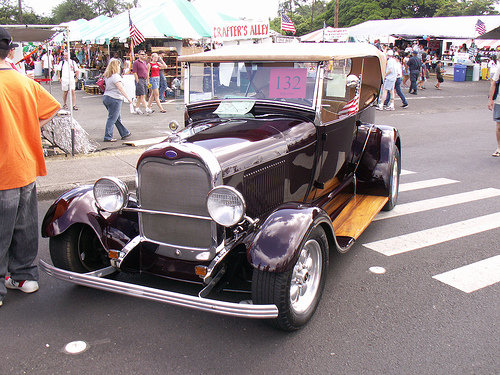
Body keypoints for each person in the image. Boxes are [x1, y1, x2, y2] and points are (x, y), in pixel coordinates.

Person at [0, 27, 60, 307]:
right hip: (25, 165)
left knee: (3, 228)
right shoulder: (23, 82)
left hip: (3, 170)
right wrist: (28, 132)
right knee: (24, 225)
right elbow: (50, 109)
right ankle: (24, 276)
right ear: (10, 51)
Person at [102, 58, 133, 142]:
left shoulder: (107, 75)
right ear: (116, 66)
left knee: (116, 117)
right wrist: (128, 98)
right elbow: (120, 88)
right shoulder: (115, 76)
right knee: (112, 118)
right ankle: (108, 136)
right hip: (115, 98)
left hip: (106, 96)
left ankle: (124, 132)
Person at [487, 64, 500, 157]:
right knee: (499, 126)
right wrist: (491, 99)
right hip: (499, 102)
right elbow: (494, 82)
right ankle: (499, 147)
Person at [132, 50, 149, 114]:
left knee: (139, 96)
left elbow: (146, 72)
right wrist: (137, 81)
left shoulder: (144, 62)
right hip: (139, 79)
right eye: (142, 54)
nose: (143, 55)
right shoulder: (136, 62)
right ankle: (146, 108)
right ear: (138, 55)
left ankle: (137, 108)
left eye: (144, 54)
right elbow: (135, 72)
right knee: (142, 95)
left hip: (144, 79)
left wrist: (147, 80)